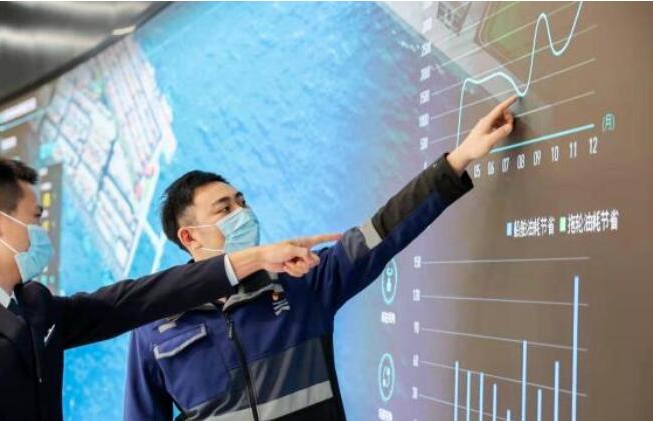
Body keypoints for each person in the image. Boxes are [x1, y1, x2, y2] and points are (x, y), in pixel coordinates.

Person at [124, 96, 518, 420]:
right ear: (190, 237)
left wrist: (458, 159)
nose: (242, 213)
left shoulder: (301, 282)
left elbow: (382, 231)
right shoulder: (154, 328)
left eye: (242, 202)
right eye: (224, 209)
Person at [0, 156, 338, 421]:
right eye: (35, 219)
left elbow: (134, 300)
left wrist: (251, 258)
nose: (43, 232)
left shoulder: (35, 306)